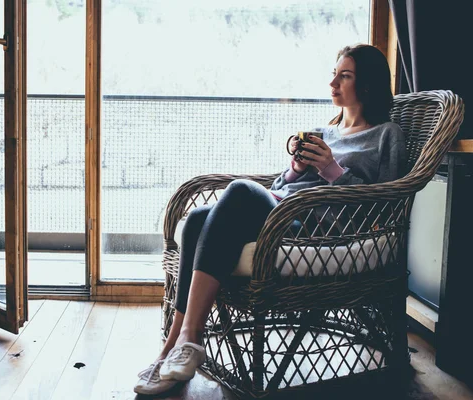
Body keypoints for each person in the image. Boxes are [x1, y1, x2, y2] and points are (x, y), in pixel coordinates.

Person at [133, 43, 406, 395]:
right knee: (199, 218)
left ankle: (188, 340)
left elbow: (386, 200)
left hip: (317, 227)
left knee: (242, 191)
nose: (333, 82)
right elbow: (278, 187)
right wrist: (295, 170)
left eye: (345, 75)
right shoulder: (327, 131)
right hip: (282, 211)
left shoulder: (386, 135)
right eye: (333, 73)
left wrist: (330, 168)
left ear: (366, 84)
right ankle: (173, 346)